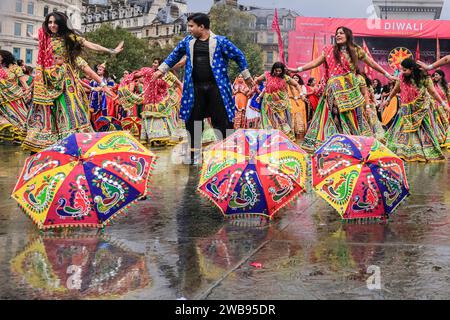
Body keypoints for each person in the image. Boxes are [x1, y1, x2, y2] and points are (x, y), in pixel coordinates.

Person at [151, 12, 255, 164]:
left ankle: (227, 155)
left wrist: (246, 76)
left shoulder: (220, 42)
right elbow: (174, 55)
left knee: (222, 120)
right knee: (193, 120)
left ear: (202, 26)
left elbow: (239, 55)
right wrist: (161, 70)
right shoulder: (187, 42)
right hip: (194, 88)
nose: (190, 29)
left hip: (216, 88)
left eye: (191, 26)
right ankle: (194, 156)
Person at [23, 11, 122, 152]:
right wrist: (31, 35)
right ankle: (44, 144)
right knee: (47, 112)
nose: (52, 25)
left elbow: (90, 46)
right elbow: (36, 37)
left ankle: (73, 145)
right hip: (46, 82)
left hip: (65, 82)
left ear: (61, 24)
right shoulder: (44, 37)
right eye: (49, 22)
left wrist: (110, 51)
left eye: (55, 22)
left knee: (69, 112)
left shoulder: (68, 38)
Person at [288, 26, 396, 152]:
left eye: (341, 33)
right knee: (334, 113)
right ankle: (336, 139)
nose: (338, 35)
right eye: (336, 33)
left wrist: (387, 74)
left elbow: (372, 63)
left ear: (348, 35)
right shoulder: (329, 51)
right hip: (334, 87)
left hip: (350, 88)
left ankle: (351, 140)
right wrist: (298, 70)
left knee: (351, 114)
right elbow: (314, 63)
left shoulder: (356, 50)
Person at [381, 58, 450, 162]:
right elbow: (396, 89)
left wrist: (444, 104)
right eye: (401, 69)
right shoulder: (401, 77)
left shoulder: (424, 78)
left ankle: (420, 152)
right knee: (402, 130)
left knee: (422, 131)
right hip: (405, 110)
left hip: (420, 109)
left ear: (412, 69)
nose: (402, 72)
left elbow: (433, 92)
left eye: (404, 70)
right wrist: (388, 99)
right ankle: (402, 151)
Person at [255, 62, 301, 140]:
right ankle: (269, 139)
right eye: (276, 71)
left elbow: (296, 85)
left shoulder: (285, 78)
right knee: (268, 120)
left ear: (282, 71)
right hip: (268, 103)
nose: (278, 73)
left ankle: (282, 139)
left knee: (282, 121)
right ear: (273, 69)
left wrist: (301, 93)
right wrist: (259, 95)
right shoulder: (267, 75)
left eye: (280, 71)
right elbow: (258, 81)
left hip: (281, 104)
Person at [0, 50, 31, 140]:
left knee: (20, 114)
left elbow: (22, 81)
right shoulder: (0, 69)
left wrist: (28, 91)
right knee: (8, 115)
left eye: (0, 56)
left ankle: (24, 132)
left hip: (15, 96)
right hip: (3, 98)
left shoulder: (15, 68)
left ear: (5, 57)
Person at [356, 70, 385, 140]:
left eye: (362, 78)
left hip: (370, 105)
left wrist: (375, 104)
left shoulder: (369, 87)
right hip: (361, 105)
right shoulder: (357, 86)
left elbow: (372, 97)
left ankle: (373, 135)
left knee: (372, 121)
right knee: (364, 120)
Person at [430, 70, 450, 147]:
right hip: (434, 107)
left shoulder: (446, 86)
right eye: (434, 75)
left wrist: (448, 107)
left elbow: (448, 97)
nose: (435, 76)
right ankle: (439, 140)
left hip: (443, 106)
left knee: (446, 122)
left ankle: (446, 140)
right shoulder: (432, 85)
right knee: (437, 123)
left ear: (441, 76)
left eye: (437, 75)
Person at [288, 74, 308, 140]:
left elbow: (304, 95)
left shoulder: (302, 86)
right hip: (291, 103)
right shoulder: (289, 86)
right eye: (294, 78)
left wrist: (298, 97)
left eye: (297, 78)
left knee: (299, 118)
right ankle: (292, 135)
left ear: (299, 79)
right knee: (292, 117)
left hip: (300, 103)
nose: (295, 79)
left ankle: (300, 136)